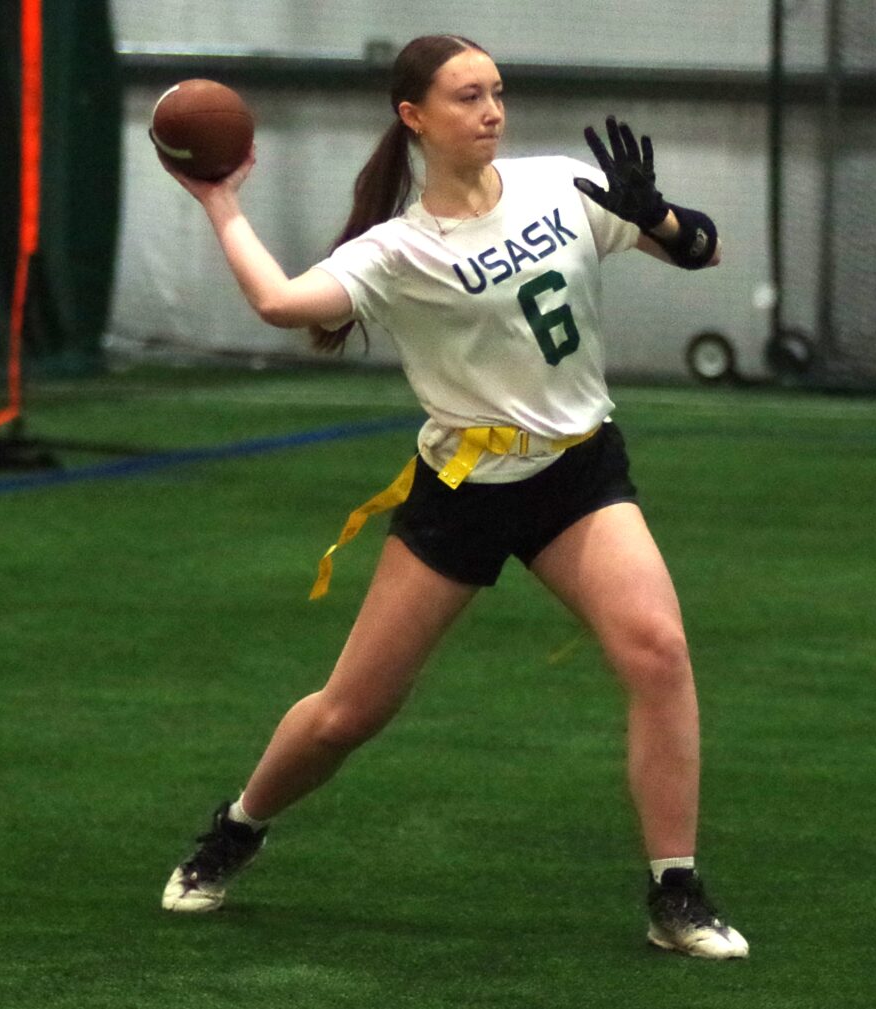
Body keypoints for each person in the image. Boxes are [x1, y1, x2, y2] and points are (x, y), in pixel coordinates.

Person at [157, 34, 748, 960]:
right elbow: (279, 303)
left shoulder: (561, 184)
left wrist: (661, 217)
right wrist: (221, 200)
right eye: (468, 96)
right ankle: (237, 826)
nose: (492, 110)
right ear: (414, 117)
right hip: (464, 490)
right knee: (351, 711)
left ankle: (676, 891)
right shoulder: (398, 249)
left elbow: (704, 253)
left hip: (578, 472)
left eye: (497, 91)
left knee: (660, 651)